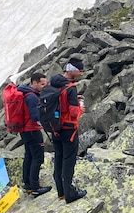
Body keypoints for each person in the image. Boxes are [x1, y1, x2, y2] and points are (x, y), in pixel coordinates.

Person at [49, 58, 86, 203]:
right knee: (68, 161)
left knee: (58, 158)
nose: (81, 73)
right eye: (79, 70)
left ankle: (61, 192)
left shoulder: (53, 84)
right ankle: (70, 194)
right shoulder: (70, 88)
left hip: (55, 129)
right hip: (69, 130)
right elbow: (73, 113)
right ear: (71, 69)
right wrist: (80, 108)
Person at [19, 72, 52, 197]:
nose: (45, 86)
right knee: (38, 158)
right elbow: (34, 116)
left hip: (24, 131)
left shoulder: (25, 93)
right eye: (42, 84)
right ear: (34, 83)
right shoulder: (32, 97)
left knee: (29, 155)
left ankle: (27, 184)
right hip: (32, 130)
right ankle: (35, 187)